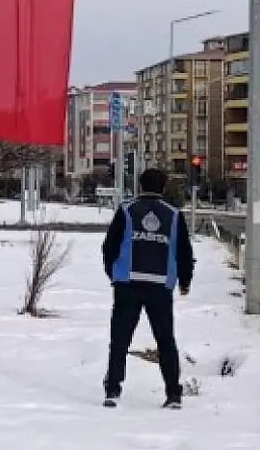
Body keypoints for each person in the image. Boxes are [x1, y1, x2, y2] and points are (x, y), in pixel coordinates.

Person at [100, 168, 195, 408]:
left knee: (120, 339)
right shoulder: (173, 215)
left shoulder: (126, 211)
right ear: (163, 188)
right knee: (165, 340)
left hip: (128, 284)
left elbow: (109, 246)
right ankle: (173, 394)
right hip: (160, 286)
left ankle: (112, 389)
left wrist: (113, 273)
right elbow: (184, 252)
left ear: (140, 186)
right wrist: (185, 281)